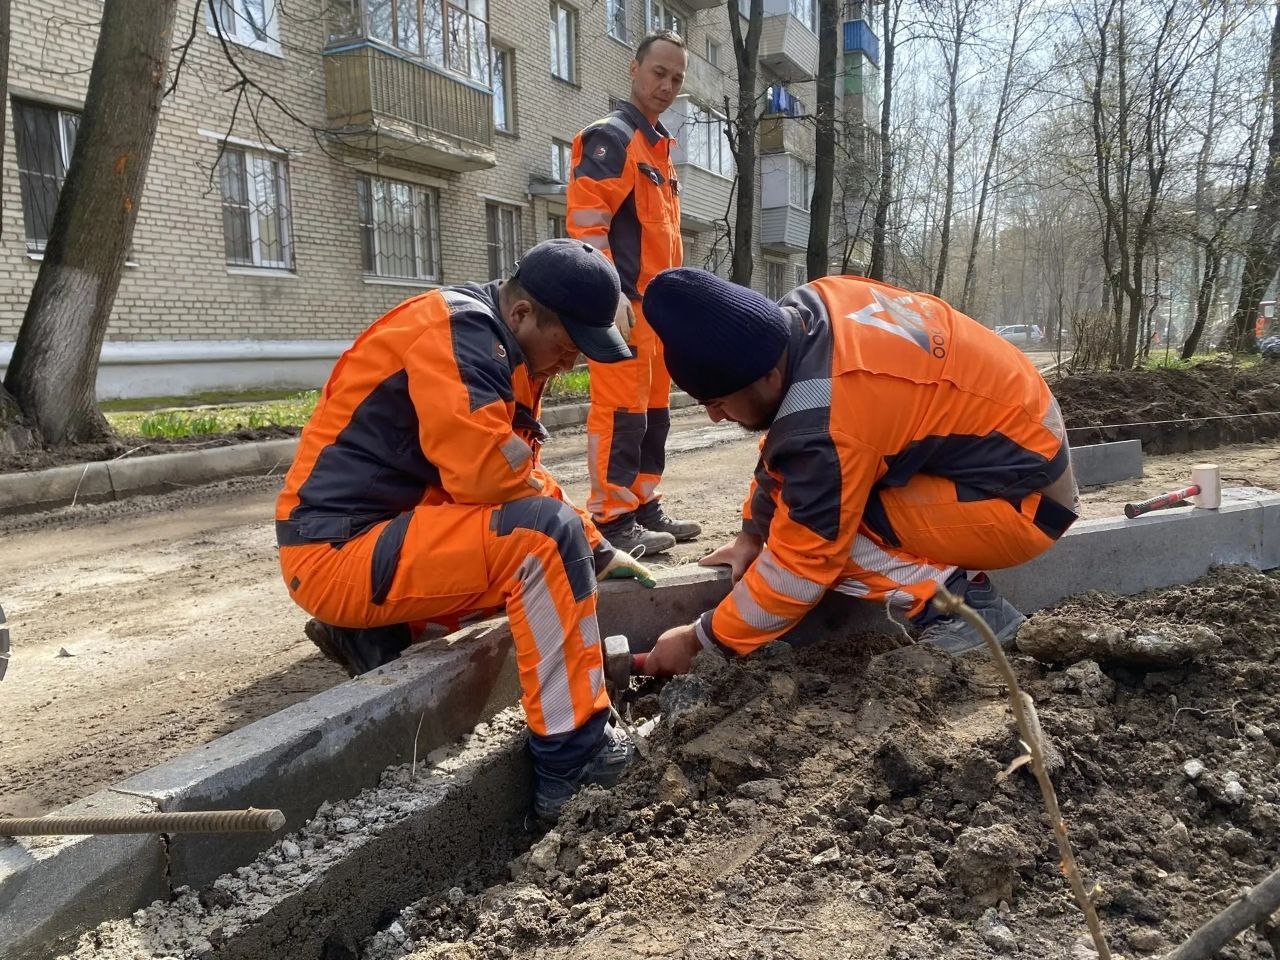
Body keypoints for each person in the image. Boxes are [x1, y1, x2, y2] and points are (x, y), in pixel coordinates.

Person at [275, 238, 654, 820]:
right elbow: (489, 477)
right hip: (337, 555)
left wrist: (598, 551)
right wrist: (581, 543)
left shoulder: (504, 345)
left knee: (548, 548)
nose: (571, 364)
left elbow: (508, 476)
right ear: (524, 312)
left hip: (375, 543)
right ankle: (573, 757)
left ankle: (373, 631)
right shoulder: (457, 333)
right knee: (543, 543)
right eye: (568, 345)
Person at [637, 268, 1080, 675]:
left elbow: (802, 565)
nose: (715, 417)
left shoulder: (829, 412)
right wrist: (752, 533)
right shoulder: (812, 307)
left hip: (1027, 500)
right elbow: (790, 449)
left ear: (769, 377)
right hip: (1015, 450)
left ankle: (965, 611)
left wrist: (701, 640)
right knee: (816, 510)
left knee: (830, 536)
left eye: (718, 403)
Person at [566, 29, 701, 558]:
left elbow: (662, 241)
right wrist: (607, 296)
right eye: (658, 72)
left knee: (652, 414)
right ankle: (611, 517)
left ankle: (644, 504)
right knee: (620, 413)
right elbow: (587, 226)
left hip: (657, 313)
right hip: (622, 308)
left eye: (676, 78)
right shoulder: (612, 139)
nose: (666, 85)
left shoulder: (658, 151)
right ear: (634, 68)